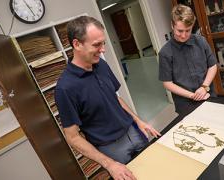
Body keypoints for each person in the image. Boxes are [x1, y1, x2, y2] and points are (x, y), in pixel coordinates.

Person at [55, 16, 160, 180]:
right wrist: (109, 164)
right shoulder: (65, 88)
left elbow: (115, 98)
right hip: (111, 148)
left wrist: (138, 121)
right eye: (97, 45)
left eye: (103, 43)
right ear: (77, 44)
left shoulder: (101, 65)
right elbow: (73, 137)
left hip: (133, 131)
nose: (103, 49)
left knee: (155, 170)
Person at [159, 4, 218, 115]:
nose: (184, 35)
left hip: (207, 94)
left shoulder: (201, 41)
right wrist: (193, 95)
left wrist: (204, 87)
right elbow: (167, 83)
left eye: (188, 30)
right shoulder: (165, 53)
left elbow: (212, 65)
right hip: (185, 103)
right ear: (172, 25)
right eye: (180, 31)